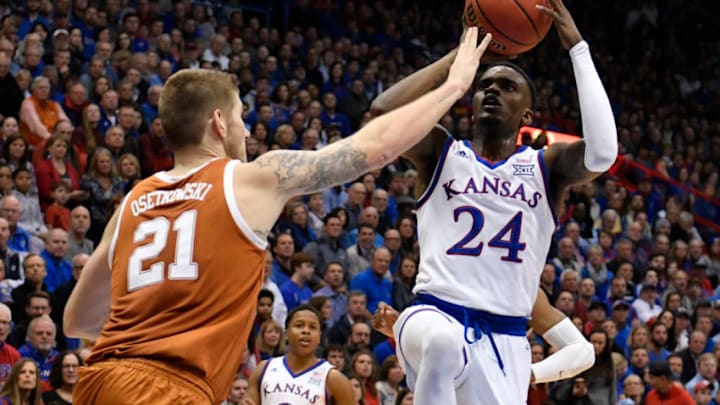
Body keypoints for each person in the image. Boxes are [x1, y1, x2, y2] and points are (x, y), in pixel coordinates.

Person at [65, 36, 489, 403]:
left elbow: (79, 320)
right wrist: (454, 85)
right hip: (171, 388)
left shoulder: (132, 203)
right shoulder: (249, 180)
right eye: (240, 118)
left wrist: (151, 322)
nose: (246, 131)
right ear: (218, 123)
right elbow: (372, 147)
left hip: (100, 381)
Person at [368, 0, 615, 402]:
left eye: (507, 86)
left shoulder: (545, 167)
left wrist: (577, 48)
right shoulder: (441, 153)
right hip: (434, 312)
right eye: (485, 85)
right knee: (443, 345)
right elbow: (380, 116)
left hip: (507, 342)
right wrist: (460, 56)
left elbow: (603, 154)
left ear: (527, 115)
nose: (493, 90)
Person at [246, 305, 355, 404]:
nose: (306, 331)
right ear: (286, 333)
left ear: (319, 337)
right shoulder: (263, 369)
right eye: (299, 325)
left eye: (312, 327)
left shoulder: (333, 378)